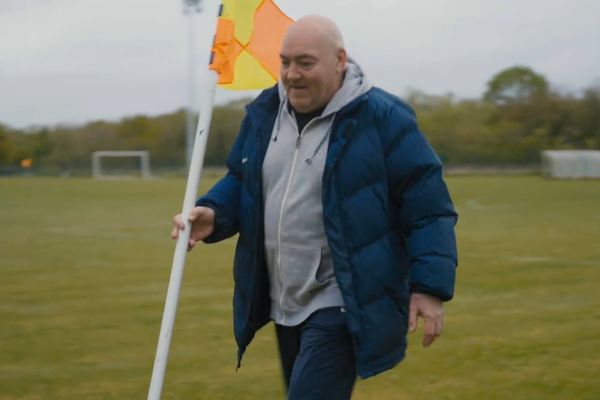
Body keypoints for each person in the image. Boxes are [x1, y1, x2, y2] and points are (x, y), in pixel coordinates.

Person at [172, 15, 458, 400]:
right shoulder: (264, 112)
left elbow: (428, 208)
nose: (291, 74)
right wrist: (214, 213)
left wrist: (429, 287)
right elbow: (244, 182)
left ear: (340, 59)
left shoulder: (384, 118)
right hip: (284, 299)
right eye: (285, 61)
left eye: (305, 62)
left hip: (341, 298)